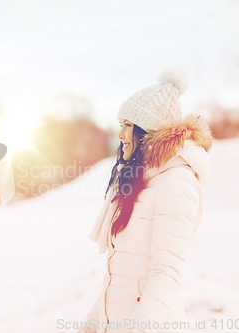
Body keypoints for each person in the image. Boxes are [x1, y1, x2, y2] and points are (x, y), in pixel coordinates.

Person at [77, 69, 212, 333]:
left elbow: (165, 275)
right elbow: (124, 275)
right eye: (121, 125)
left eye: (128, 125)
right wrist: (91, 326)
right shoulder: (141, 182)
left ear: (148, 130)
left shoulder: (176, 183)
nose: (120, 135)